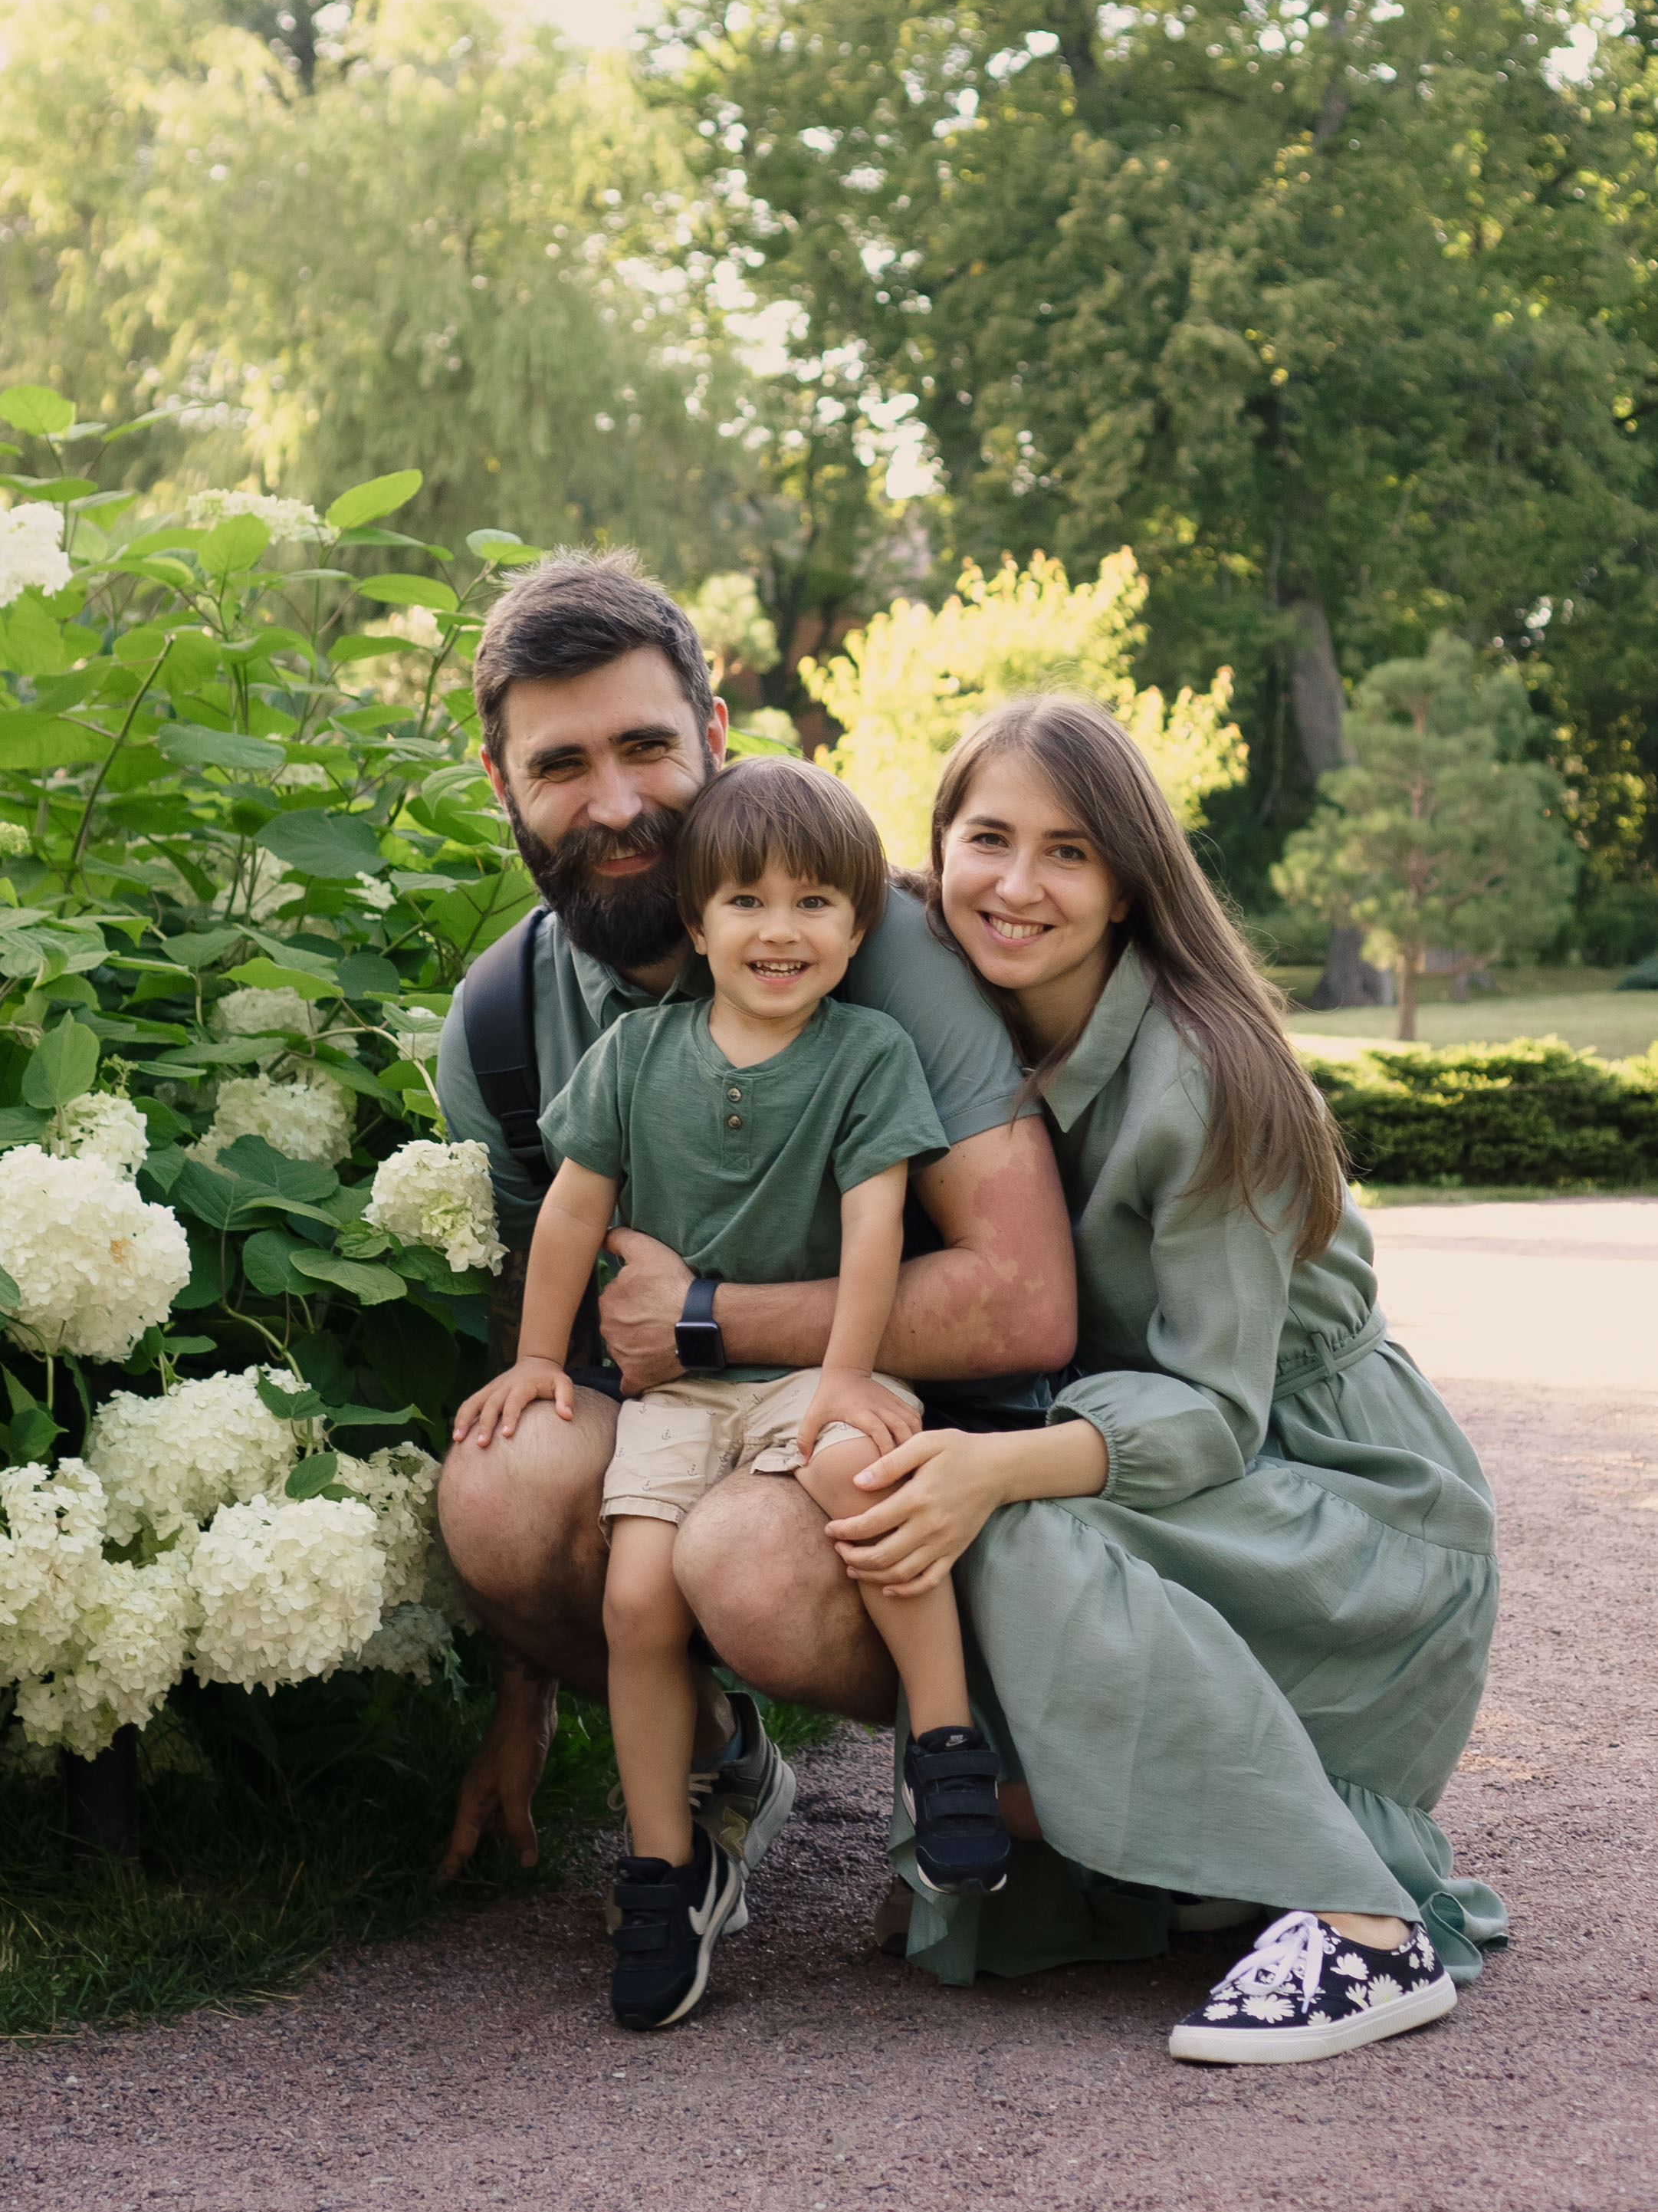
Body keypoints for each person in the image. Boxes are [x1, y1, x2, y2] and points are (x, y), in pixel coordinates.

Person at [815, 695, 1506, 2065]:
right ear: (936, 850)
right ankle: (1153, 1853)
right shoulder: (971, 1039)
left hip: (1348, 1516)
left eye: (1068, 852)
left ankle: (1362, 1923)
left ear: (1130, 878)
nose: (1017, 885)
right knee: (942, 1492)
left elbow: (1212, 1411)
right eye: (988, 840)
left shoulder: (1204, 1076)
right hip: (1214, 1494)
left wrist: (997, 1462)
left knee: (999, 1515)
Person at [434, 554, 1075, 1897]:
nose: (613, 806)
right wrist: (524, 1696)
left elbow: (1024, 1299)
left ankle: (1002, 1759)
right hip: (686, 1431)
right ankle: (719, 1758)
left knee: (754, 1554)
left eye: (647, 747)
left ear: (715, 736)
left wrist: (708, 1313)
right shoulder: (501, 1026)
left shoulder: (881, 954)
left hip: (914, 1441)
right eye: (561, 763)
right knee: (497, 1486)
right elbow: (524, 1335)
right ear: (503, 785)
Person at [451, 758, 1011, 2027]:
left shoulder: (867, 1053)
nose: (780, 930)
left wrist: (853, 1373)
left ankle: (944, 1749)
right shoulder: (638, 1057)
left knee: (853, 1468)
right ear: (696, 922)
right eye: (748, 902)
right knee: (637, 1592)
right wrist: (543, 1356)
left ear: (860, 928)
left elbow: (876, 1235)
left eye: (817, 903)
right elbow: (570, 1215)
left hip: (813, 1362)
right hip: (679, 1397)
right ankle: (666, 1862)